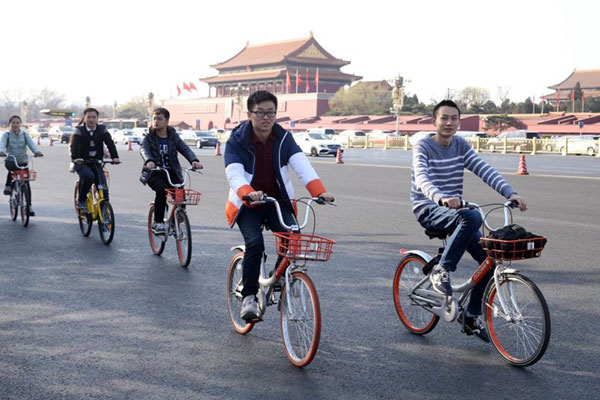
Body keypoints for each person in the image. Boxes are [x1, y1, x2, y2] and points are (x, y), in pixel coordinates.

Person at [410, 99, 527, 342]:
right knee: (472, 216)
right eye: (444, 118)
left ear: (459, 122)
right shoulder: (423, 146)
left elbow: (484, 169)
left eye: (454, 118)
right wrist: (441, 198)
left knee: (489, 262)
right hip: (429, 208)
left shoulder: (460, 145)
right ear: (434, 121)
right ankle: (442, 270)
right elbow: (422, 179)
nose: (449, 122)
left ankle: (471, 317)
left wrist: (510, 193)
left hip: (455, 211)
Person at [224, 90, 334, 322]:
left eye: (271, 113)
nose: (266, 118)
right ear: (249, 113)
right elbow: (234, 174)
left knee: (293, 237)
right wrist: (247, 193)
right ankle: (249, 297)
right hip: (248, 204)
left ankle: (280, 276)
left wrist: (319, 191)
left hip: (277, 201)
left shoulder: (283, 138)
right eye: (260, 113)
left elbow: (301, 165)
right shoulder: (237, 140)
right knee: (255, 244)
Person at [140, 107, 202, 235]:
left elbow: (184, 149)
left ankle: (174, 222)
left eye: (160, 119)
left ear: (167, 121)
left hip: (172, 172)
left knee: (181, 198)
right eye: (154, 119)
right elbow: (144, 150)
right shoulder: (148, 137)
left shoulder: (173, 136)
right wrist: (149, 161)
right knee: (161, 191)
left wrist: (194, 160)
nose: (156, 121)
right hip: (155, 172)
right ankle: (158, 223)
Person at [70, 108, 120, 209]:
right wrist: (76, 158)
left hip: (97, 163)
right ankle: (82, 199)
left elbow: (110, 143)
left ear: (97, 118)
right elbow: (74, 146)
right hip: (82, 163)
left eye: (94, 117)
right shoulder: (79, 130)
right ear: (84, 118)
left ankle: (104, 212)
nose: (91, 120)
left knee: (104, 189)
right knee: (89, 176)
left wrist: (115, 157)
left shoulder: (102, 129)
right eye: (89, 117)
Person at [0, 115, 43, 216]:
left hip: (23, 160)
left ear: (20, 124)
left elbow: (31, 144)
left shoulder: (24, 135)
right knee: (12, 170)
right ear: (10, 124)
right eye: (13, 123)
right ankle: (8, 186)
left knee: (26, 184)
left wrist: (37, 151)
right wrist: (1, 151)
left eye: (17, 123)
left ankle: (29, 206)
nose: (15, 124)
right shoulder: (6, 135)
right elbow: (2, 144)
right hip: (11, 160)